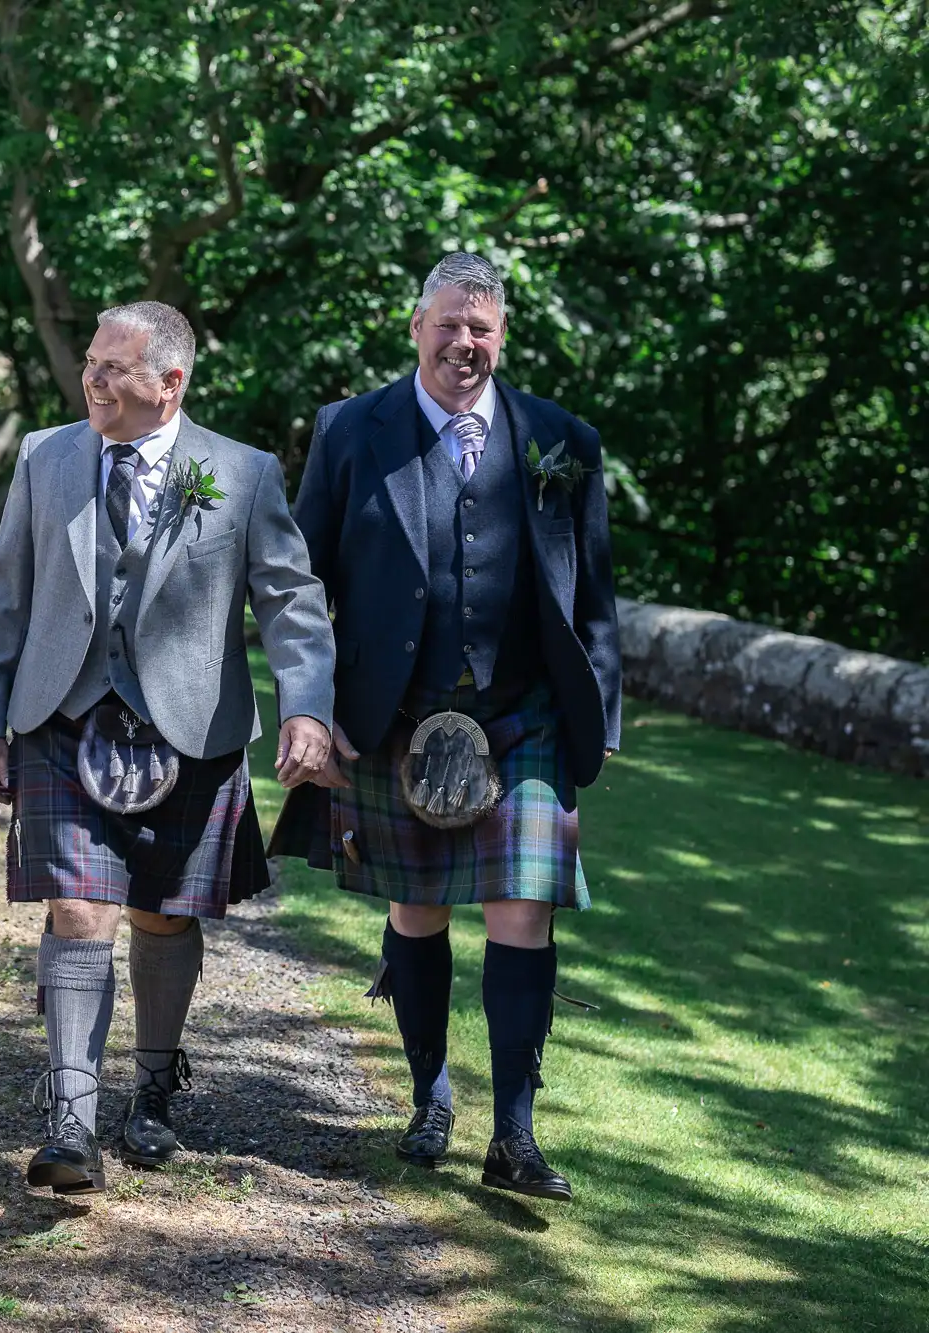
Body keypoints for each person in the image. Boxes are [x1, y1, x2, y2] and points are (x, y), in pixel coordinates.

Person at [0, 301, 336, 1195]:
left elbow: (290, 598)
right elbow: (4, 593)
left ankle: (154, 1088)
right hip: (62, 713)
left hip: (190, 726)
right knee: (78, 907)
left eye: (113, 368)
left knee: (163, 915)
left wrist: (307, 707)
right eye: (90, 363)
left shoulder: (242, 475)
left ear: (170, 383)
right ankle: (71, 1118)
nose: (92, 380)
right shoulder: (46, 458)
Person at [272, 252, 620, 1202]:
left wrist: (604, 722)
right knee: (416, 910)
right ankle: (430, 1094)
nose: (465, 344)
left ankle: (515, 1131)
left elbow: (593, 598)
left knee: (522, 910)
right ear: (414, 325)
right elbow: (302, 586)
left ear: (500, 336)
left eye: (483, 330)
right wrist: (308, 703)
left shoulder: (562, 439)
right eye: (449, 324)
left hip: (523, 716)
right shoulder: (350, 431)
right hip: (397, 713)